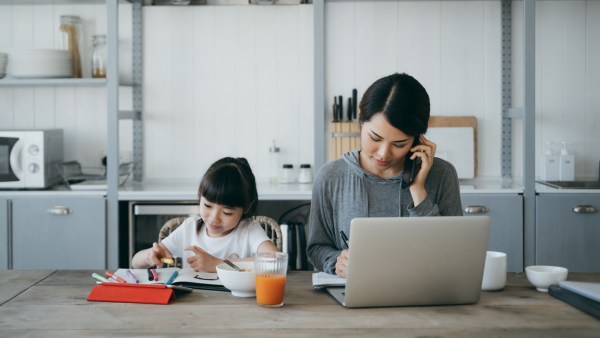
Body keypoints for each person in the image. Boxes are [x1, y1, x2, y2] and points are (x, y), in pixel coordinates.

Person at [307, 73, 463, 278]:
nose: (383, 154)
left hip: (426, 297)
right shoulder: (330, 177)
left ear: (418, 139)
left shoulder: (442, 175)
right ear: (360, 121)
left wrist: (418, 191)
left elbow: (454, 254)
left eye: (400, 144)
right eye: (375, 137)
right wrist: (335, 261)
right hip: (354, 297)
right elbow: (317, 248)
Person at [132, 157, 280, 272]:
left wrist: (217, 264)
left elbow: (275, 260)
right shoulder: (189, 229)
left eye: (227, 212)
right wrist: (150, 256)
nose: (214, 218)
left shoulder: (249, 230)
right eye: (207, 205)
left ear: (247, 207)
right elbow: (135, 263)